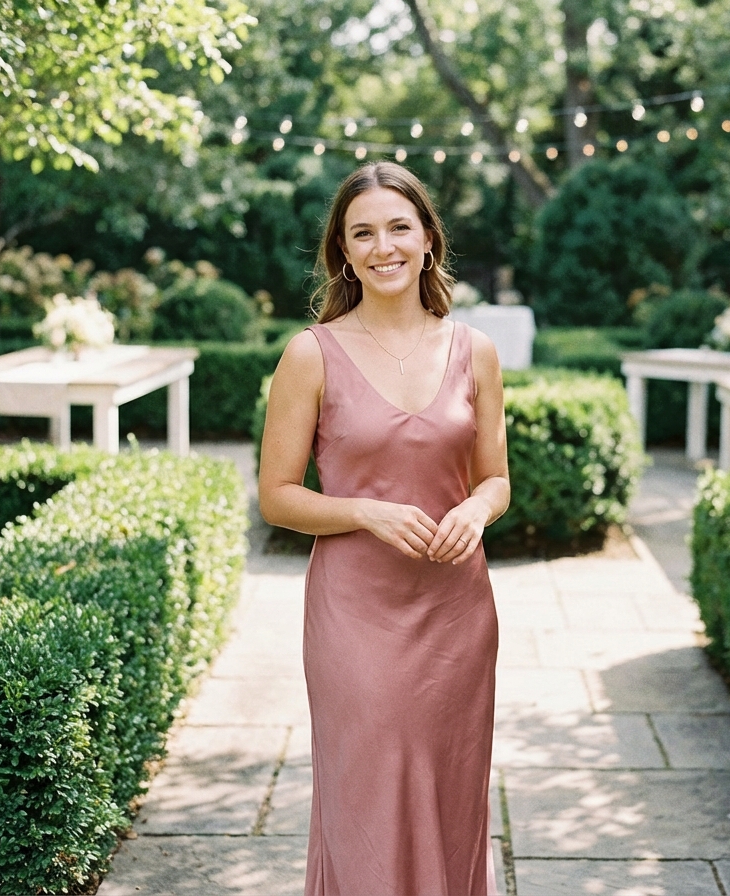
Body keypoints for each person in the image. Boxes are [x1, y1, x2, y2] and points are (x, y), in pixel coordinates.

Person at [258, 161, 510, 896]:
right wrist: (363, 511)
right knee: (365, 794)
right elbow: (276, 496)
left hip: (455, 613)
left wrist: (473, 509)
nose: (383, 246)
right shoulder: (310, 354)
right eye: (361, 233)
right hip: (355, 613)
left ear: (429, 238)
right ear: (342, 250)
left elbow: (496, 478)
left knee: (449, 793)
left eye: (399, 227)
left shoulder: (476, 351)